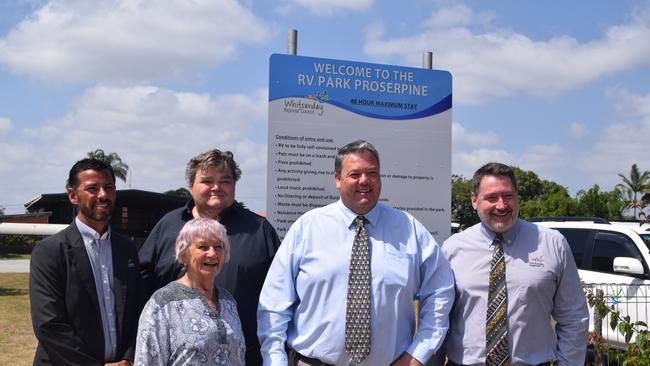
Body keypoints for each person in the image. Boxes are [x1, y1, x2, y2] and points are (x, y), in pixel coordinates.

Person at [257, 139, 455, 366]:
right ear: (337, 179)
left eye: (372, 173)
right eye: (355, 174)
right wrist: (275, 361)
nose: (364, 181)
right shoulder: (307, 228)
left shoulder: (409, 230)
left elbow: (441, 291)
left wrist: (418, 353)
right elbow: (274, 302)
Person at [138, 148, 280, 365]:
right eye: (207, 181)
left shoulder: (259, 230)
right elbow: (140, 284)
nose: (217, 188)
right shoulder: (167, 226)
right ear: (190, 186)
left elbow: (280, 294)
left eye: (225, 180)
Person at [440, 162, 589, 365]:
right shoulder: (451, 249)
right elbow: (438, 318)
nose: (501, 205)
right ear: (474, 201)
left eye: (507, 196)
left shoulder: (552, 244)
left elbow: (574, 317)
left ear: (517, 197)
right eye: (491, 198)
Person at [29, 158, 145, 366]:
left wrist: (129, 357)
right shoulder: (49, 252)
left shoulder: (126, 249)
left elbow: (137, 311)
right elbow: (49, 325)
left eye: (109, 187)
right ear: (73, 195)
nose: (103, 195)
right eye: (93, 188)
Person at [135, 218, 245, 365]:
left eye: (219, 246)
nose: (212, 254)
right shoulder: (162, 303)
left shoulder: (228, 301)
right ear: (184, 253)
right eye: (203, 247)